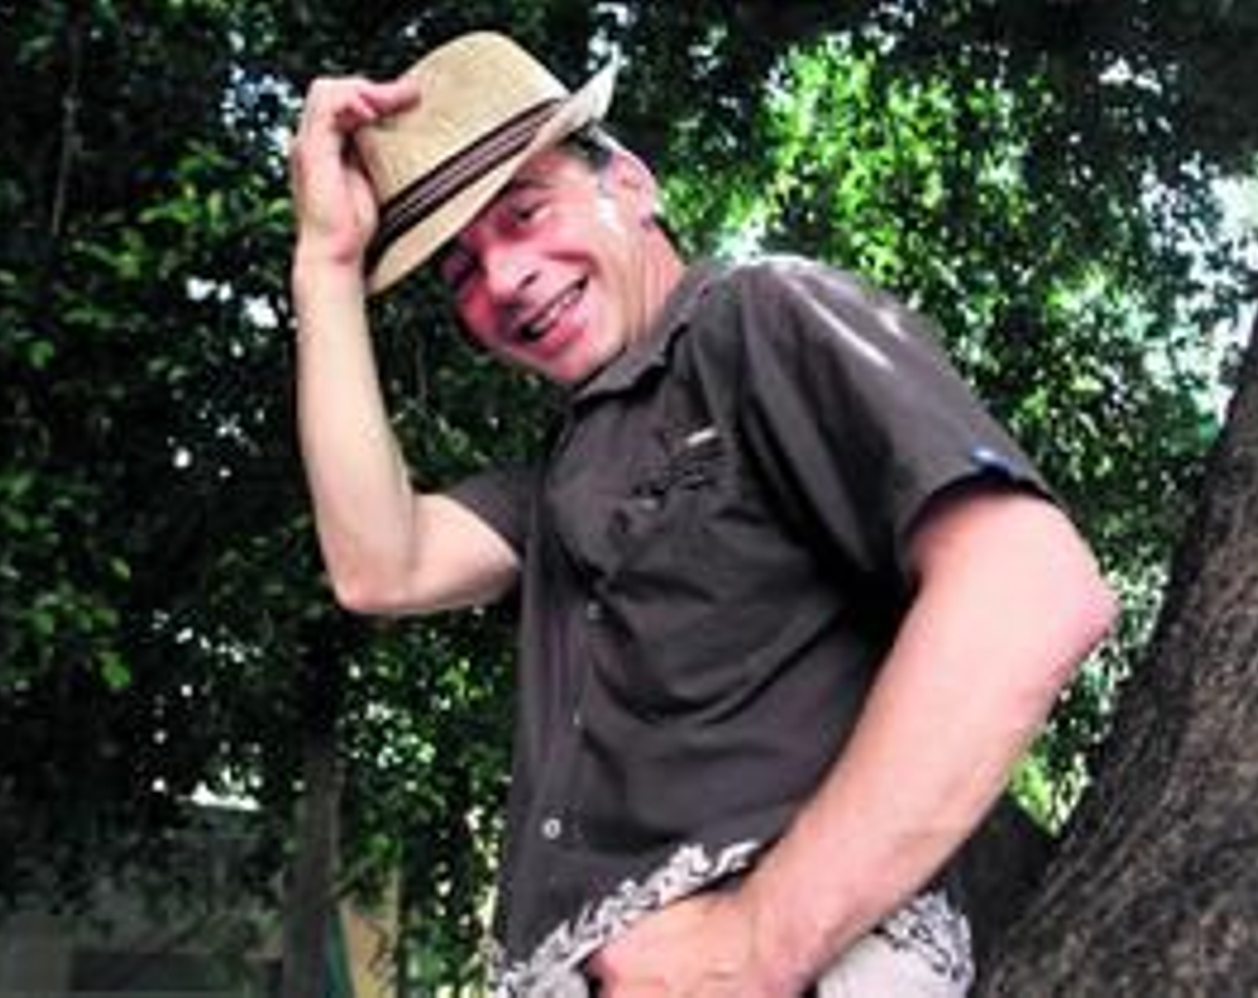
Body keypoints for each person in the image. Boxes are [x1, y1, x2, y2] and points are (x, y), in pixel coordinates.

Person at [289, 31, 1116, 998]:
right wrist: (327, 264)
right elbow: (379, 566)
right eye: (461, 271)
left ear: (631, 184)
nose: (504, 279)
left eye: (526, 212)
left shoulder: (759, 314)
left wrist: (757, 943)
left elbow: (1028, 589)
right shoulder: (562, 476)